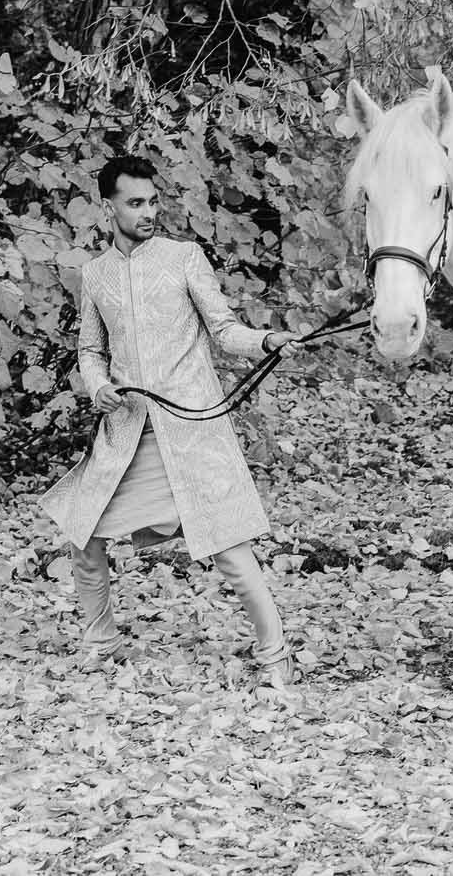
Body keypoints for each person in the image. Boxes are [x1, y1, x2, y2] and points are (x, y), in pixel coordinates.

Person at [40, 154, 306, 687]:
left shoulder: (184, 257)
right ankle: (101, 643)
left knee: (230, 547)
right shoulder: (94, 275)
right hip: (127, 435)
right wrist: (98, 386)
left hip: (190, 433)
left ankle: (276, 655)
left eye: (153, 200)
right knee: (83, 534)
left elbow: (225, 330)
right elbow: (89, 350)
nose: (148, 211)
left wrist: (267, 340)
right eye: (135, 203)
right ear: (107, 206)